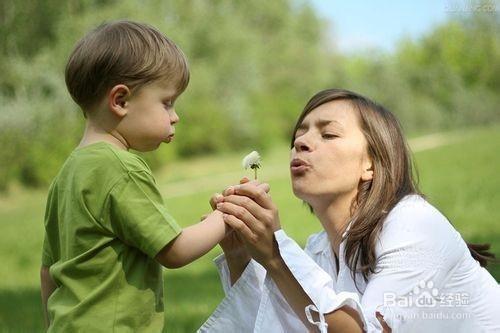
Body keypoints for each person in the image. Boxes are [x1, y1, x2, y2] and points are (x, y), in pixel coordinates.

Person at [200, 89, 500, 332]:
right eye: (298, 137)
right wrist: (240, 254)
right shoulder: (320, 248)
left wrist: (276, 256)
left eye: (328, 135)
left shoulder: (414, 225)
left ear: (370, 163)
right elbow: (283, 326)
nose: (301, 142)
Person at [39, 20, 250, 332]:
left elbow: (47, 271)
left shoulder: (69, 172)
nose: (175, 116)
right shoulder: (121, 167)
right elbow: (174, 251)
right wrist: (226, 216)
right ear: (121, 101)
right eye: (167, 103)